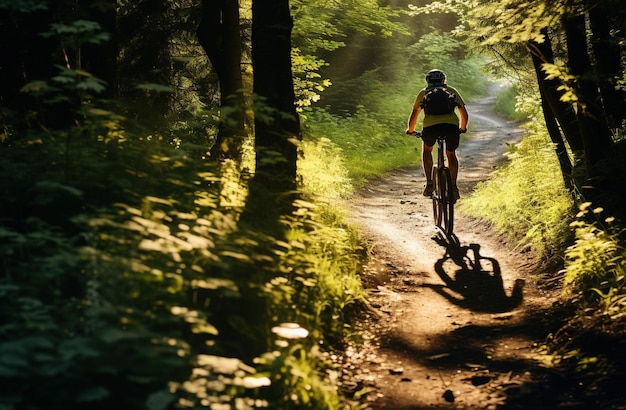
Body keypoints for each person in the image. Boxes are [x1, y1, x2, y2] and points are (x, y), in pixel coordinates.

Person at [405, 69, 469, 201]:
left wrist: (411, 130)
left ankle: (429, 182)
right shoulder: (451, 91)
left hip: (430, 127)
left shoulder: (424, 93)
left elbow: (414, 116)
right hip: (451, 126)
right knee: (451, 154)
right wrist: (462, 128)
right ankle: (453, 186)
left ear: (427, 81)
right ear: (443, 80)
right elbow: (464, 114)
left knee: (427, 150)